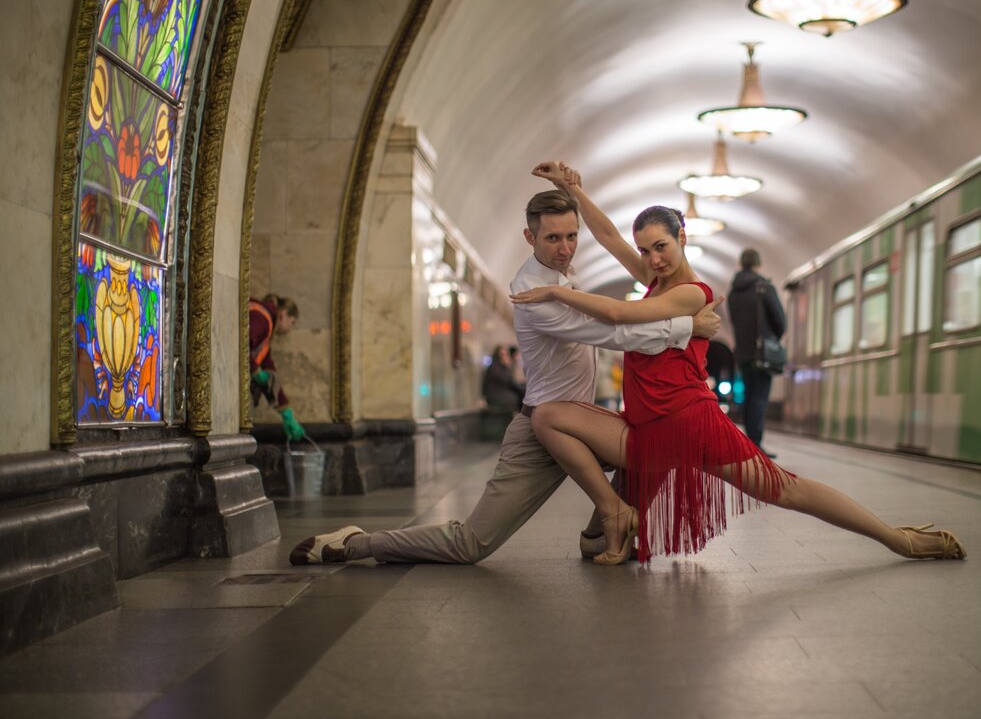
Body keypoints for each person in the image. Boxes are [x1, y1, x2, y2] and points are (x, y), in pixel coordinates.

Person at [511, 162, 966, 566]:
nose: (653, 259)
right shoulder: (656, 279)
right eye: (646, 250)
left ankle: (897, 539)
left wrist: (556, 291)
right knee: (557, 437)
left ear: (682, 238)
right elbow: (608, 237)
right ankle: (615, 518)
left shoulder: (692, 293)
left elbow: (619, 314)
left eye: (661, 247)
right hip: (649, 428)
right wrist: (574, 193)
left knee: (786, 489)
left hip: (688, 422)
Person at [289, 184, 723, 565]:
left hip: (577, 424)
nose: (565, 247)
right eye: (553, 238)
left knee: (654, 443)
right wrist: (689, 327)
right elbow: (613, 332)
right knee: (470, 544)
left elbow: (608, 238)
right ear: (529, 236)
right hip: (541, 430)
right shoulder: (532, 294)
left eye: (572, 236)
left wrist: (571, 187)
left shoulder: (560, 277)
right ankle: (358, 544)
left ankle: (597, 536)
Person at [728, 247, 786, 457]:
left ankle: (748, 442)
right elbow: (780, 321)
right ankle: (755, 444)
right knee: (759, 397)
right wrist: (772, 338)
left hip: (743, 352)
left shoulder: (733, 292)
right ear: (757, 263)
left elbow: (734, 322)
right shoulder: (764, 287)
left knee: (749, 396)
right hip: (762, 351)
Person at [249, 294, 305, 442]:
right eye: (292, 323)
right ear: (284, 314)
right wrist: (256, 371)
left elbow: (269, 369)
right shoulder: (262, 319)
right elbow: (241, 347)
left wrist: (286, 411)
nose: (289, 330)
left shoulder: (267, 328)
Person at [483, 345, 524, 412]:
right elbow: (508, 380)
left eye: (506, 354)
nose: (505, 357)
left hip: (501, 392)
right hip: (495, 396)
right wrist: (508, 367)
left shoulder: (500, 367)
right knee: (516, 397)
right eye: (502, 354)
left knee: (520, 394)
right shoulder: (494, 367)